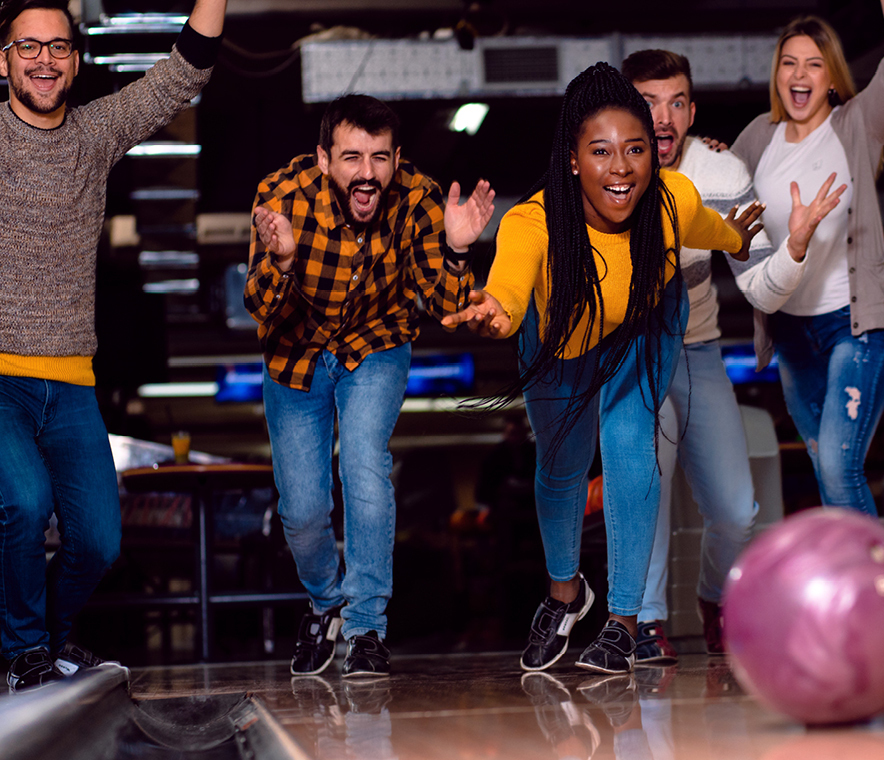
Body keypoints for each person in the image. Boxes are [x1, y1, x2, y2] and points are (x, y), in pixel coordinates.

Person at [442, 62, 763, 674]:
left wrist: (741, 241)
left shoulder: (674, 200)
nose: (621, 168)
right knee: (560, 469)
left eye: (636, 150)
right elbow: (507, 295)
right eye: (602, 151)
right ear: (572, 159)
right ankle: (565, 595)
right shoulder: (532, 222)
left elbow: (717, 231)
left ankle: (623, 623)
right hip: (558, 336)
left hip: (644, 325)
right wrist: (491, 309)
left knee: (629, 450)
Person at [0, 0, 227, 692]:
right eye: (28, 47)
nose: (45, 59)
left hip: (72, 380)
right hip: (1, 377)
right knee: (25, 504)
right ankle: (22, 651)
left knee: (100, 540)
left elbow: (184, 71)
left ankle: (46, 641)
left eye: (59, 47)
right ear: (2, 60)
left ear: (76, 58)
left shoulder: (95, 132)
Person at [245, 94, 494, 678]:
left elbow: (447, 304)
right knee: (303, 510)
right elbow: (261, 309)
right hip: (295, 353)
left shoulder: (419, 197)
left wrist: (457, 249)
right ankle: (326, 603)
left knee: (364, 464)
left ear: (396, 158)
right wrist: (281, 262)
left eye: (379, 159)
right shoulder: (280, 197)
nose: (366, 174)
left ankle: (365, 628)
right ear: (324, 157)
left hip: (376, 345)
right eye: (351, 157)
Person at [620, 49, 845, 662]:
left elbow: (757, 285)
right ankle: (645, 623)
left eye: (675, 103)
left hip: (697, 351)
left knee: (735, 509)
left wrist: (793, 249)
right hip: (630, 358)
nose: (661, 118)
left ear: (691, 111)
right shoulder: (602, 170)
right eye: (645, 103)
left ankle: (715, 599)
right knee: (649, 488)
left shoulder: (718, 173)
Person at [731, 4, 884, 515]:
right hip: (792, 334)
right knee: (821, 463)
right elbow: (719, 196)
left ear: (832, 76)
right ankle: (850, 583)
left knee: (840, 468)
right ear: (777, 74)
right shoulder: (756, 138)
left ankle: (870, 589)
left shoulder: (856, 123)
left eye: (814, 64)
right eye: (789, 62)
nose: (799, 74)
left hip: (855, 327)